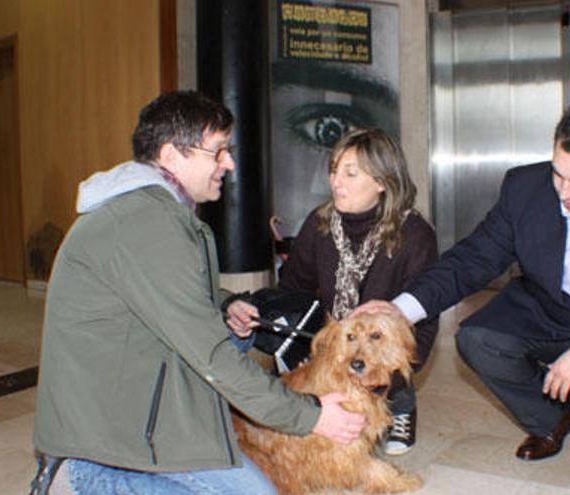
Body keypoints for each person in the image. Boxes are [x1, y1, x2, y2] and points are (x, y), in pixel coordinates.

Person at [31, 91, 366, 495]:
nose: (229, 163)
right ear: (172, 155)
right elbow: (211, 357)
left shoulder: (154, 210)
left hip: (133, 395)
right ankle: (76, 479)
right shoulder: (148, 224)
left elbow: (169, 294)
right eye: (218, 151)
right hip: (102, 437)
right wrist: (310, 414)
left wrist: (225, 304)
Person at [355, 100, 570, 480]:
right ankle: (554, 418)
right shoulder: (524, 186)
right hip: (552, 308)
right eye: (558, 174)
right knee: (477, 339)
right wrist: (402, 309)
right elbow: (473, 259)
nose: (563, 191)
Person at [225, 128, 439, 456]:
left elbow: (423, 323)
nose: (336, 181)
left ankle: (400, 403)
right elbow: (292, 289)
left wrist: (393, 374)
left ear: (382, 181)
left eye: (350, 173)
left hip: (384, 348)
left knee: (384, 346)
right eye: (334, 170)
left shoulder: (415, 235)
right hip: (337, 336)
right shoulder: (320, 224)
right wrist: (257, 312)